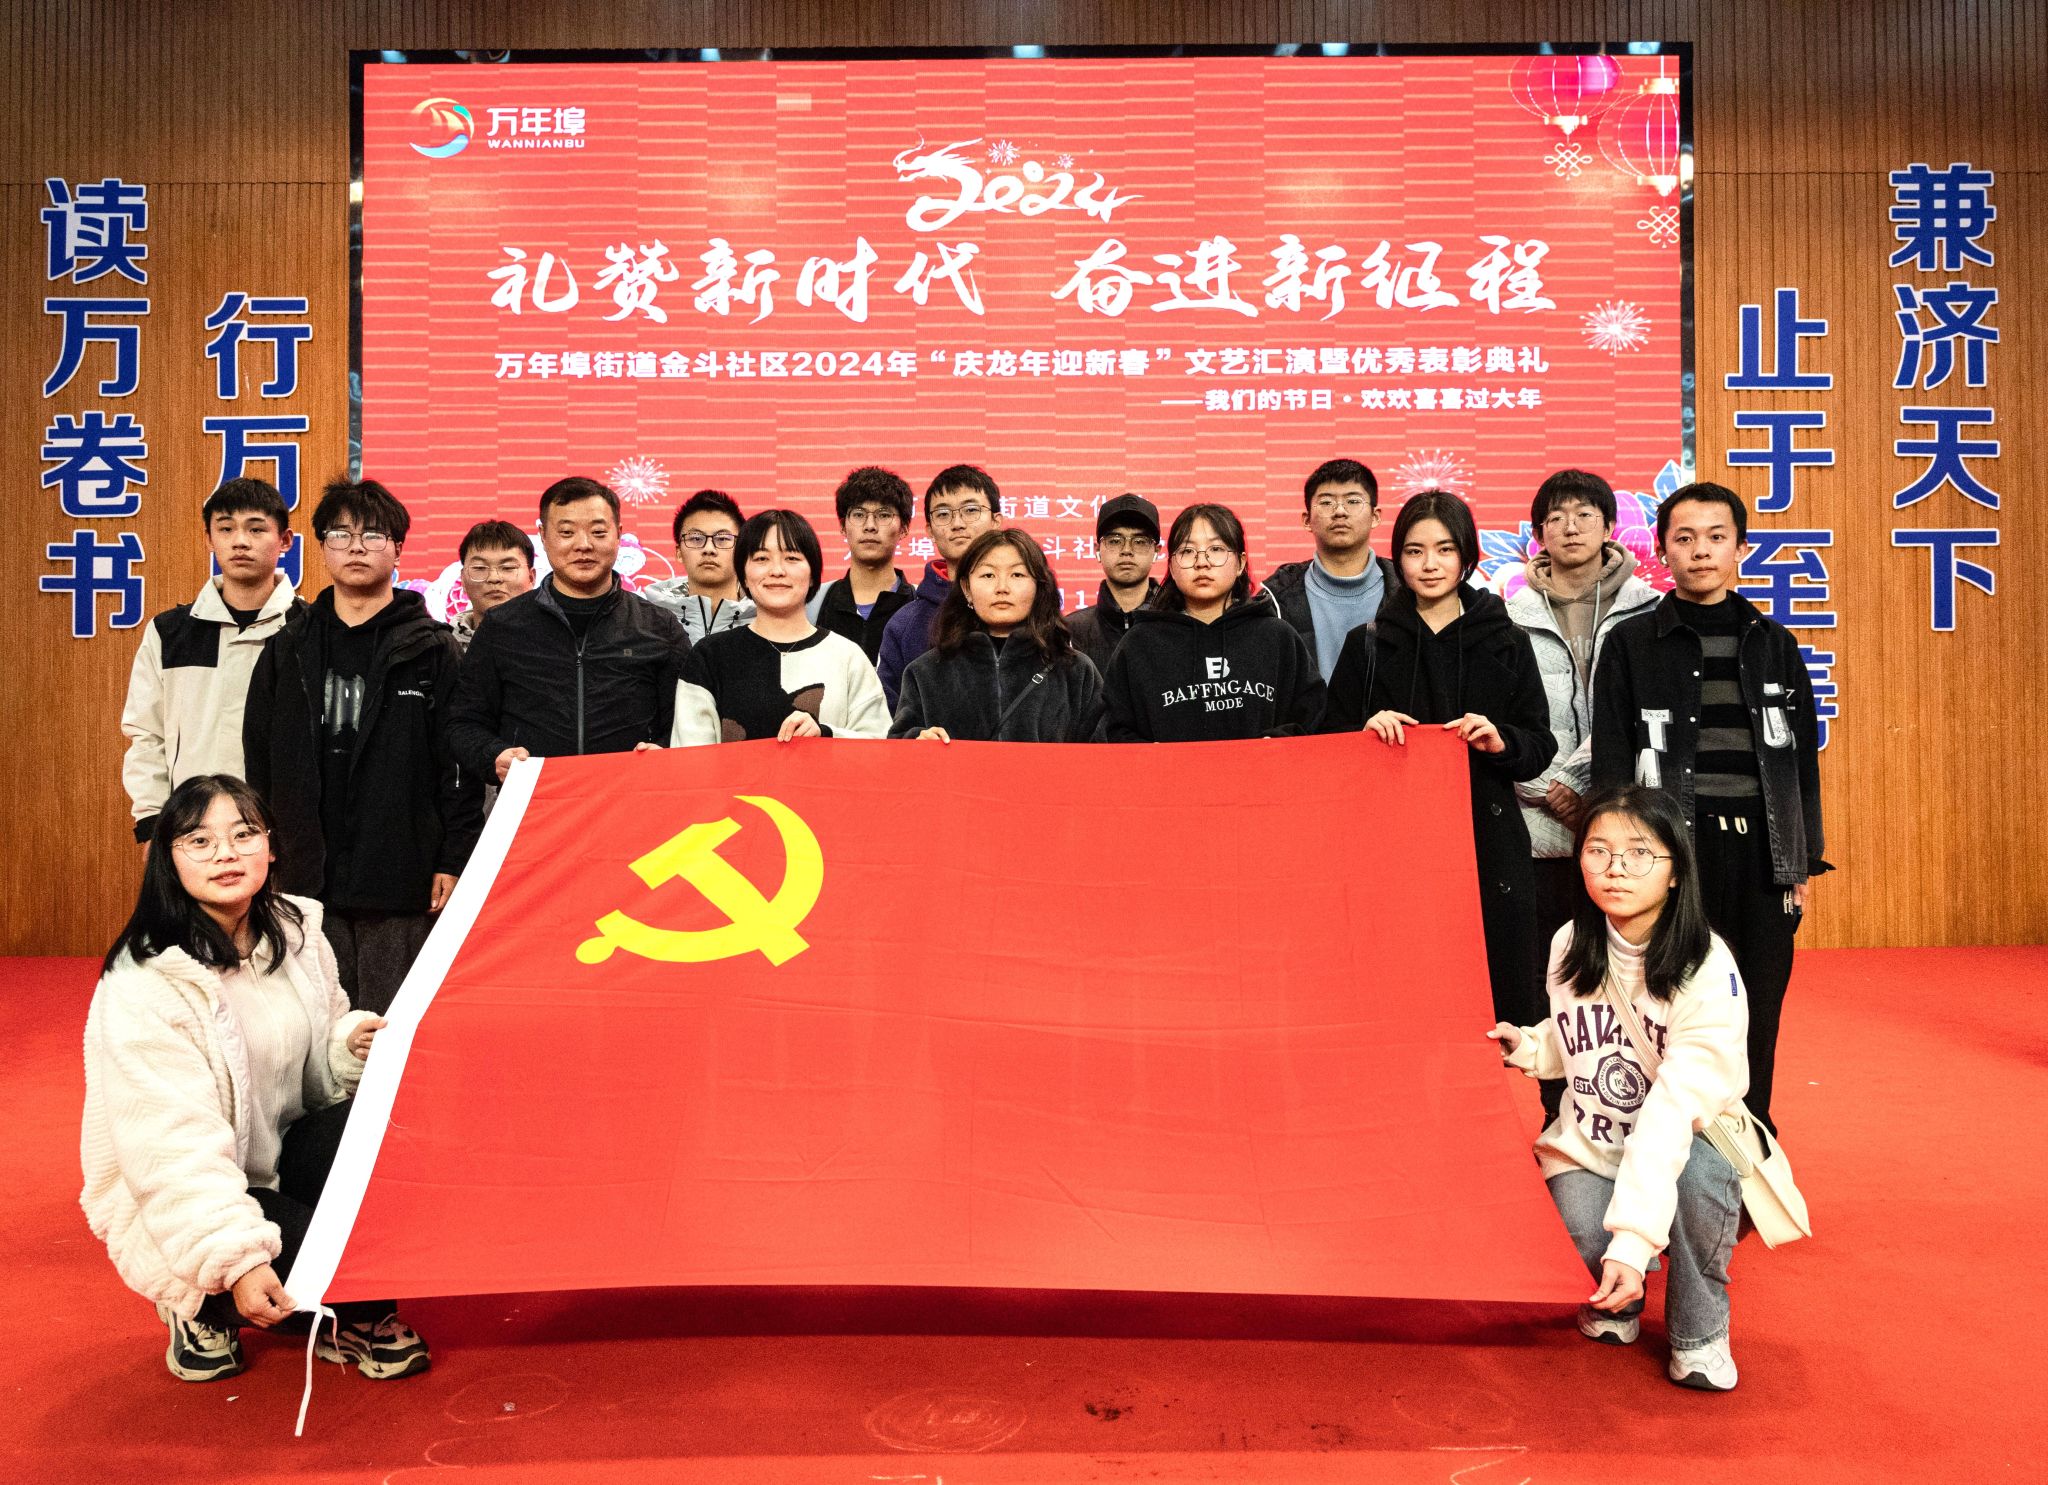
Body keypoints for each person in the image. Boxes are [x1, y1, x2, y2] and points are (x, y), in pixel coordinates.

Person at [81, 774, 430, 1384]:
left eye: (244, 834)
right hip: (193, 1191)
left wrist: (347, 1042)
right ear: (168, 859)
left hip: (282, 1154)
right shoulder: (145, 984)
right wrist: (236, 1258)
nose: (226, 854)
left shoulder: (296, 931)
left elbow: (319, 1054)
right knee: (307, 1275)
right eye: (200, 841)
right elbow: (168, 1149)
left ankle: (347, 1310)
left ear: (270, 846)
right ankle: (197, 1305)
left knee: (391, 1138)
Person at [1487, 783, 1749, 1393]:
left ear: (1675, 872)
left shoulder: (1707, 965)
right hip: (1592, 1145)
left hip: (1687, 1140)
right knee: (1580, 1239)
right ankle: (1623, 1296)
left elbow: (1670, 1114)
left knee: (1697, 1184)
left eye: (1638, 854)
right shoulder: (1570, 943)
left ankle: (1700, 1333)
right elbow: (1580, 1040)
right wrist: (1529, 1047)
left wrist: (1632, 1242)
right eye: (1598, 851)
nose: (1615, 868)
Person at [1592, 482, 1828, 1136]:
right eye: (1685, 538)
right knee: (1668, 1004)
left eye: (1716, 537)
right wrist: (1620, 859)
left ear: (1741, 548)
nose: (1701, 551)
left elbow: (1799, 761)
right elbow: (1613, 759)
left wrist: (1800, 862)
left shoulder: (1775, 643)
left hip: (1761, 853)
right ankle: (1662, 1145)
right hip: (1673, 854)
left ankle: (1748, 1147)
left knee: (1756, 1006)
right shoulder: (1632, 643)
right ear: (1663, 550)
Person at [242, 479, 481, 1015]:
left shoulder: (433, 649)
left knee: (389, 1022)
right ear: (321, 547)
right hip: (306, 875)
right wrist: (266, 851)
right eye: (340, 534)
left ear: (398, 549)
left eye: (373, 535)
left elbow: (458, 767)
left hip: (402, 872)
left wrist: (453, 858)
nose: (355, 547)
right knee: (313, 1024)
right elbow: (259, 760)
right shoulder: (288, 646)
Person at [1321, 490, 1556, 1024]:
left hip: (1488, 841)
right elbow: (1328, 748)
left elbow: (1539, 744)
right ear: (1397, 558)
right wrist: (1364, 734)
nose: (1430, 564)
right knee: (1404, 996)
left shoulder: (1507, 640)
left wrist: (1501, 741)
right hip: (1393, 847)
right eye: (1415, 550)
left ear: (1466, 555)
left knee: (1499, 998)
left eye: (1445, 549)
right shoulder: (1369, 643)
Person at [1506, 469, 1660, 1117]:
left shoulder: (1649, 610)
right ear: (1538, 532)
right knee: (1550, 973)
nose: (1570, 527)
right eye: (1556, 517)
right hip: (1536, 825)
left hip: (1624, 819)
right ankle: (1559, 1109)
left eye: (1584, 514)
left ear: (1609, 525)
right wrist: (1544, 785)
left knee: (1627, 972)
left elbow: (1636, 713)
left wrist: (1576, 783)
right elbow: (1497, 715)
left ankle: (1627, 1105)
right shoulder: (1507, 614)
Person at [447, 476, 691, 786]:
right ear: (543, 536)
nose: (583, 545)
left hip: (632, 800)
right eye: (566, 532)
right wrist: (494, 755)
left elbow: (688, 725)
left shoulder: (659, 627)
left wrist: (665, 753)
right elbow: (464, 723)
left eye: (598, 532)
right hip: (534, 801)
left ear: (619, 534)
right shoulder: (502, 626)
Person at [121, 477, 305, 844]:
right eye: (225, 528)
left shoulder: (309, 630)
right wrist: (152, 823)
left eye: (256, 529)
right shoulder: (170, 632)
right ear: (209, 539)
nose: (240, 541)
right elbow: (147, 735)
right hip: (192, 828)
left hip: (286, 832)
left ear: (285, 540)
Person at [1101, 503, 1324, 741]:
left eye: (1216, 549)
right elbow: (1115, 727)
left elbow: (1311, 715)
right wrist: (1151, 755)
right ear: (1172, 567)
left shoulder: (1277, 637)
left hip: (1263, 766)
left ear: (1240, 563)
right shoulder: (1139, 644)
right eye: (1188, 551)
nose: (1202, 562)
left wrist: (1275, 745)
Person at [670, 510, 890, 744]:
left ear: (813, 574)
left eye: (792, 558)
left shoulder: (848, 657)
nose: (777, 571)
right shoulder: (709, 657)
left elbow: (880, 745)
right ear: (744, 574)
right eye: (761, 559)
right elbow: (690, 755)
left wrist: (826, 734)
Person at [892, 528, 1106, 743]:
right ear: (966, 588)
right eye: (988, 575)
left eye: (1017, 575)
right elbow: (897, 748)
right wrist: (917, 742)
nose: (1002, 588)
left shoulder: (1076, 672)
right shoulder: (926, 672)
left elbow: (1102, 754)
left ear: (1038, 587)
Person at [876, 464, 1002, 708]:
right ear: (930, 530)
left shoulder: (1024, 607)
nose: (957, 523)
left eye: (971, 510)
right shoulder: (904, 624)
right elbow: (886, 713)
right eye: (943, 514)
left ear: (996, 521)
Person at [1262, 457, 1396, 682]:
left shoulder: (1406, 589)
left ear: (1375, 517)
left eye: (1353, 501)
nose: (1340, 511)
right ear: (1307, 520)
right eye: (1326, 503)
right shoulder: (1275, 600)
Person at [809, 465, 917, 661]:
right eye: (859, 514)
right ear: (843, 526)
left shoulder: (922, 606)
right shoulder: (812, 604)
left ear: (904, 528)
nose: (870, 526)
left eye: (884, 515)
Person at [642, 488, 757, 643]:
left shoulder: (765, 618)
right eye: (696, 538)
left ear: (741, 550)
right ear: (679, 553)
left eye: (722, 539)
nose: (709, 549)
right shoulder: (646, 619)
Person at [1065, 493, 1162, 675]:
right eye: (1115, 541)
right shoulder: (1069, 631)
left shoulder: (1177, 624)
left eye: (1139, 541)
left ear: (1157, 551)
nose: (1127, 550)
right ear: (1097, 550)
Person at [451, 519, 535, 652]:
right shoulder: (441, 649)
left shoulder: (554, 642)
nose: (494, 578)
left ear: (531, 578)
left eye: (508, 567)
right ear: (463, 580)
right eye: (479, 568)